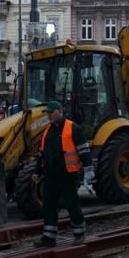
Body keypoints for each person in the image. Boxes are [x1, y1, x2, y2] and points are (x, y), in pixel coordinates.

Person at [34, 101, 93, 247]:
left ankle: (79, 234)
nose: (48, 115)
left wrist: (88, 170)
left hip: (68, 174)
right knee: (49, 205)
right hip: (51, 174)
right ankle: (49, 237)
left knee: (71, 204)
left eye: (51, 112)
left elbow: (84, 151)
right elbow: (42, 154)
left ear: (59, 112)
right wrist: (37, 171)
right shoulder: (48, 131)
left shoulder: (73, 128)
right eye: (47, 113)